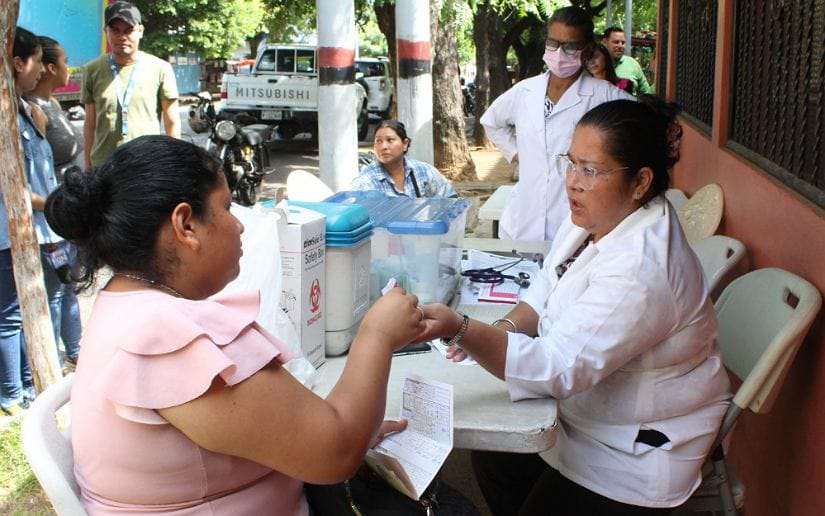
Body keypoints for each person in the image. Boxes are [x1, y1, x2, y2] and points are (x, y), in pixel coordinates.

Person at [46, 135, 426, 514]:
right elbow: (337, 454)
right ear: (186, 225)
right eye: (226, 207)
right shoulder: (170, 336)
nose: (240, 226)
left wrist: (346, 427)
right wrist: (378, 335)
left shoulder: (122, 303)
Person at [418, 97, 731, 515]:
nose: (573, 182)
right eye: (571, 163)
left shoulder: (641, 267)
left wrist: (461, 328)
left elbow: (557, 368)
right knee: (495, 458)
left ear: (640, 181)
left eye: (590, 170)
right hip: (585, 415)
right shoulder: (600, 214)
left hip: (633, 449)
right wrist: (502, 330)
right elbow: (548, 283)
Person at [480, 6, 632, 241]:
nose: (559, 52)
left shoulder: (605, 96)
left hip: (576, 225)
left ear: (587, 49)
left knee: (567, 258)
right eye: (553, 43)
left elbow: (643, 127)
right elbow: (491, 122)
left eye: (570, 46)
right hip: (522, 220)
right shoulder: (525, 91)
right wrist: (517, 153)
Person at [1, 27, 67, 415]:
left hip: (36, 230)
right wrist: (55, 204)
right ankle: (12, 397)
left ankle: (30, 386)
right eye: (38, 61)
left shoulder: (26, 109)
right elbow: (12, 186)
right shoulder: (4, 116)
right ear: (16, 63)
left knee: (35, 307)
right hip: (9, 234)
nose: (43, 70)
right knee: (11, 316)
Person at [26, 35, 83, 372]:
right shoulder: (31, 110)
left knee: (68, 288)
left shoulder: (52, 104)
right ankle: (52, 361)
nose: (68, 68)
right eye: (64, 62)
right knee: (53, 293)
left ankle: (74, 352)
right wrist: (50, 204)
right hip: (47, 218)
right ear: (48, 67)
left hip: (63, 214)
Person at [82, 1, 180, 168]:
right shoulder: (92, 69)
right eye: (115, 30)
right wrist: (88, 166)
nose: (122, 37)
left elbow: (172, 122)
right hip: (104, 166)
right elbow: (90, 124)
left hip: (146, 165)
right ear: (106, 32)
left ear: (140, 31)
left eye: (129, 30)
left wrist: (174, 165)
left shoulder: (160, 69)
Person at [351, 119, 457, 198]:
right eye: (378, 141)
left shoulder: (424, 171)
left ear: (405, 144)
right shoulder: (365, 183)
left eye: (390, 140)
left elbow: (451, 200)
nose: (384, 147)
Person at [603, 27, 653, 95]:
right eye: (616, 42)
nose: (620, 46)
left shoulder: (632, 63)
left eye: (623, 43)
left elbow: (646, 93)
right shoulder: (596, 64)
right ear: (605, 42)